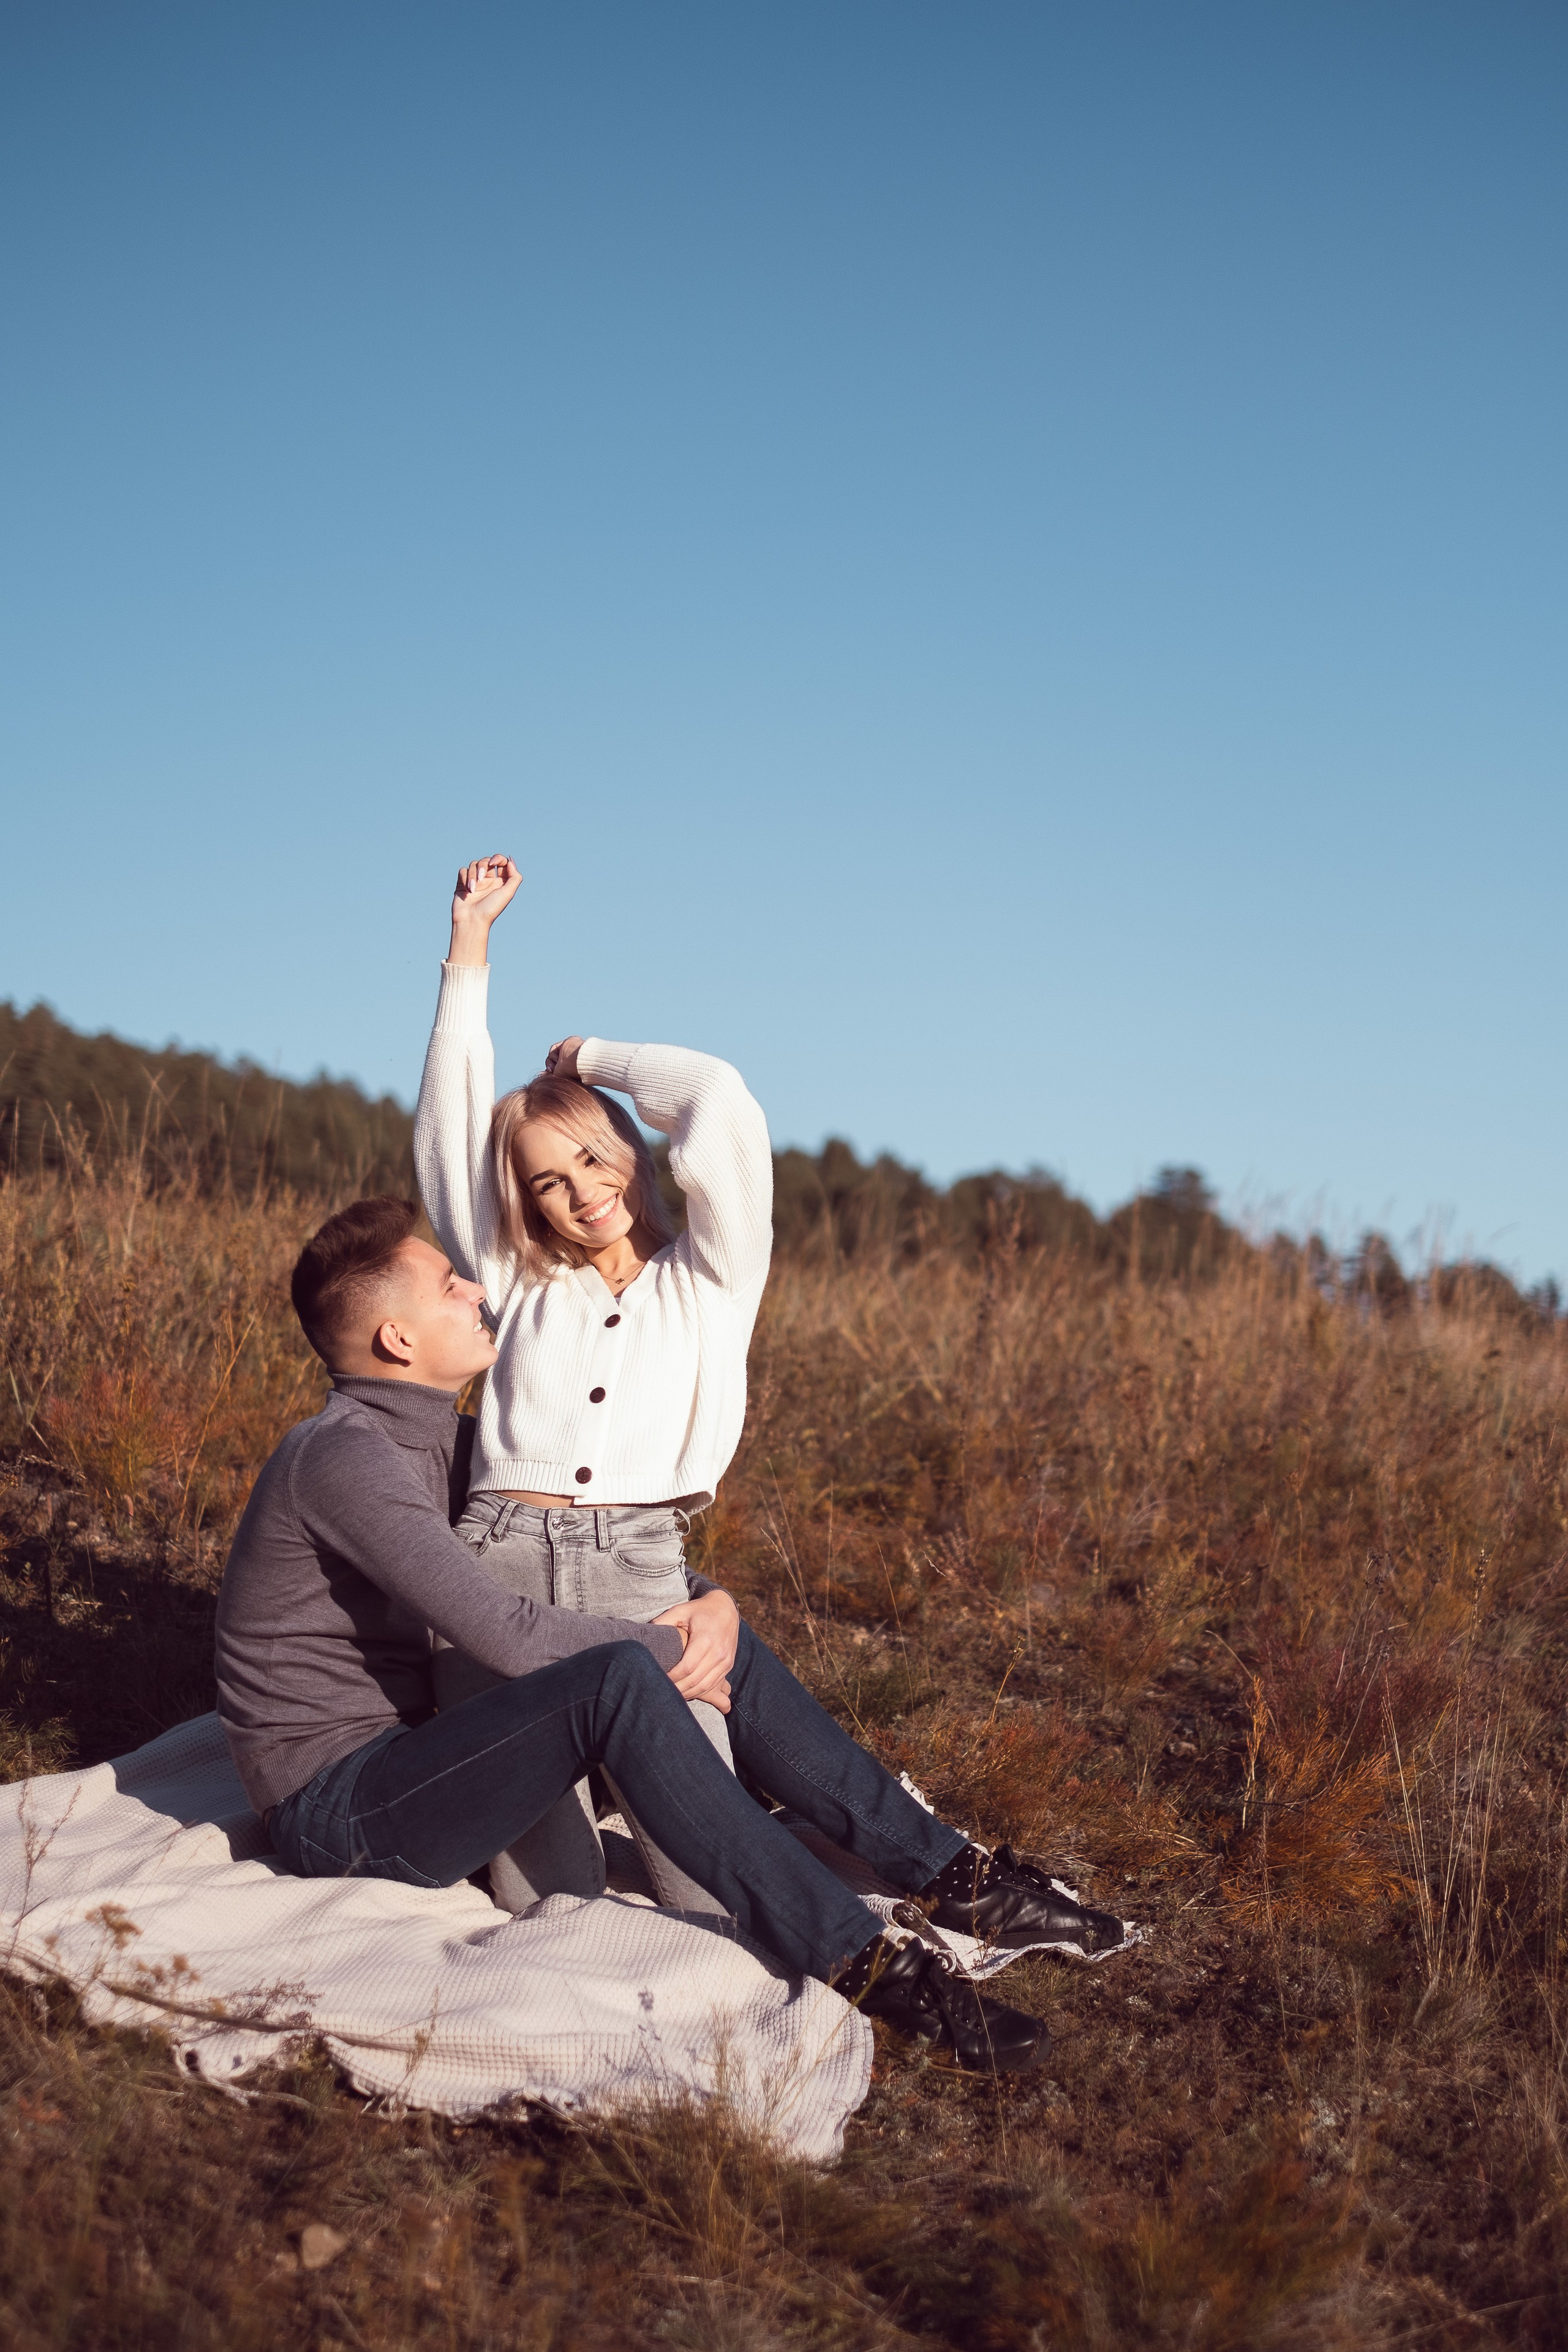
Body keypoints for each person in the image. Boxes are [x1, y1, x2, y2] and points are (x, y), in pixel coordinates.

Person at [214, 1197, 1129, 2076]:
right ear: (397, 1339)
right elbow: (502, 1628)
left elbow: (561, 1551)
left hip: (423, 1760)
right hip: (347, 1812)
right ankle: (875, 1971)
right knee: (620, 1673)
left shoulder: (455, 1445)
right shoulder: (342, 1457)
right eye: (449, 1284)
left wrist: (708, 1601)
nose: (476, 1291)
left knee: (687, 1630)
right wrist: (670, 1648)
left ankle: (953, 1874)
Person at [412, 851, 770, 1913]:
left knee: (708, 1888)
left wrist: (590, 1058)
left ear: (628, 1145)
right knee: (544, 1896)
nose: (580, 1192)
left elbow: (718, 1099)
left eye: (593, 1157)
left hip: (639, 1573)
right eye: (548, 1180)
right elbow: (450, 1125)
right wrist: (469, 946)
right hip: (499, 1567)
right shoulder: (516, 1282)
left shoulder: (710, 1277)